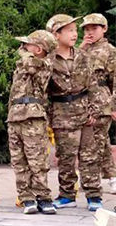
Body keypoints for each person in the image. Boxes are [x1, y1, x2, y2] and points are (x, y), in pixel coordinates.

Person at [45, 14, 101, 211]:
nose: (75, 34)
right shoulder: (48, 61)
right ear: (56, 34)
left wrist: (94, 110)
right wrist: (47, 116)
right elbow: (42, 91)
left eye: (75, 30)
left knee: (89, 156)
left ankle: (94, 195)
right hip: (61, 114)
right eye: (69, 30)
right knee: (66, 157)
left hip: (84, 112)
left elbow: (93, 85)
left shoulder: (82, 56)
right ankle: (67, 195)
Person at [7, 30, 56, 215]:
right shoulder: (23, 65)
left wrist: (25, 54)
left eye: (27, 45)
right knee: (18, 161)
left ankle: (43, 197)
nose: (23, 47)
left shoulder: (44, 64)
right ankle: (26, 197)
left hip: (33, 118)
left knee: (37, 160)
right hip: (15, 116)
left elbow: (31, 65)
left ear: (38, 49)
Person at [79, 13, 116, 196]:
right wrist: (81, 48)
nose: (90, 32)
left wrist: (114, 106)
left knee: (96, 144)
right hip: (82, 102)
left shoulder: (110, 50)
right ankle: (112, 178)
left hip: (101, 102)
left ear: (104, 29)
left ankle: (91, 183)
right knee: (101, 141)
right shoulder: (81, 50)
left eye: (94, 28)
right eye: (87, 29)